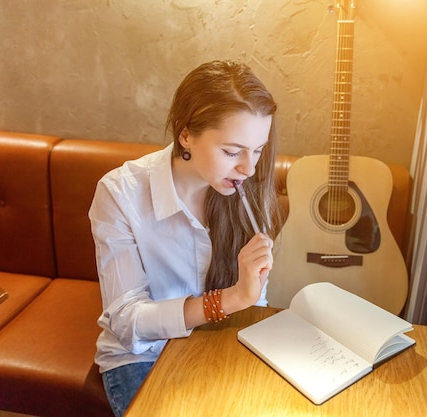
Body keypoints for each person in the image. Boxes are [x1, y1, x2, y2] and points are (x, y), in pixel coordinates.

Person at [88, 60, 280, 417]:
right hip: (143, 356)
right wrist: (229, 299)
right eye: (232, 151)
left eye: (258, 150)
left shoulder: (247, 187)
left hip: (222, 339)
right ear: (186, 134)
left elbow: (255, 299)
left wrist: (251, 293)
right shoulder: (120, 193)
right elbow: (127, 322)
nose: (249, 168)